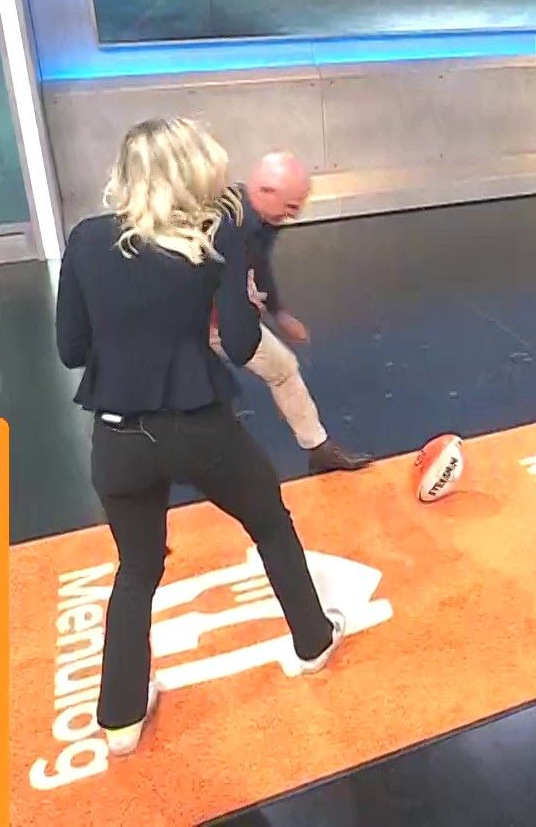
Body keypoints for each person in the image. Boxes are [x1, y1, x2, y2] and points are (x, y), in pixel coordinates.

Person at [54, 118, 344, 757]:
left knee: (137, 568)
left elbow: (71, 349)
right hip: (200, 426)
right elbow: (239, 344)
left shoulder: (85, 239)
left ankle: (120, 718)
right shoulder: (217, 237)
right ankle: (313, 640)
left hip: (118, 437)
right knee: (269, 524)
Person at [210, 151, 368, 474]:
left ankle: (319, 449)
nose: (293, 216)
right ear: (265, 191)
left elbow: (258, 264)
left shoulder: (263, 220)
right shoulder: (225, 224)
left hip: (224, 317)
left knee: (282, 368)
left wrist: (278, 312)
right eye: (291, 207)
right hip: (191, 323)